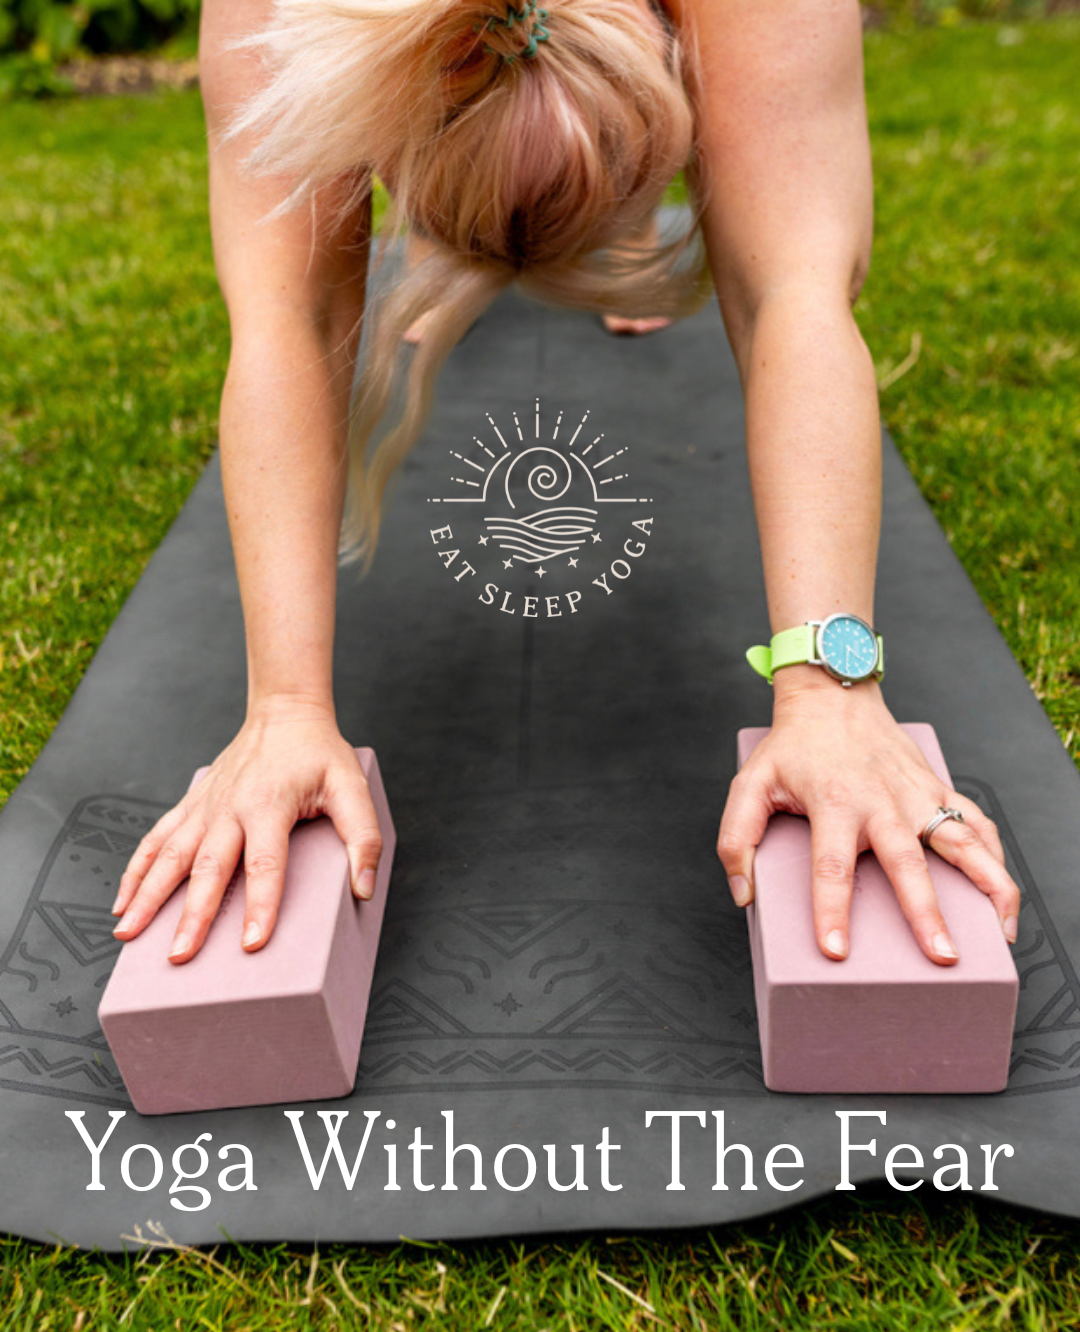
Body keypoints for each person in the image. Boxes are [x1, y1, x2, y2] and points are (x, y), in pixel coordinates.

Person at [112, 0, 1020, 967]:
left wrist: (832, 692)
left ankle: (579, 219)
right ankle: (489, 222)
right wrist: (284, 710)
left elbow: (788, 288)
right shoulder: (277, 18)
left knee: (764, 207)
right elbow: (293, 312)